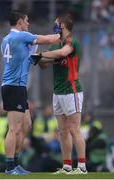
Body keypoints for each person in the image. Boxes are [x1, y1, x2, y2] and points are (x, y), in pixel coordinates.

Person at [1, 10, 61, 175]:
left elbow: (30, 58)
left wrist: (41, 56)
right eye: (26, 21)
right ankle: (9, 167)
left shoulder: (6, 39)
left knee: (26, 125)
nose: (28, 24)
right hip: (14, 86)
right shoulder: (21, 36)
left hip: (16, 87)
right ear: (19, 22)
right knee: (14, 128)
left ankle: (16, 163)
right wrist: (59, 30)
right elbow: (49, 39)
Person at [31, 14, 87, 174]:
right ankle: (67, 166)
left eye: (56, 24)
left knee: (74, 129)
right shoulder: (55, 45)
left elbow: (63, 53)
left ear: (63, 25)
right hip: (58, 92)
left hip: (72, 91)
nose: (54, 27)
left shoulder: (71, 42)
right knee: (62, 131)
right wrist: (36, 57)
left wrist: (42, 55)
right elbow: (44, 65)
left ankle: (82, 167)